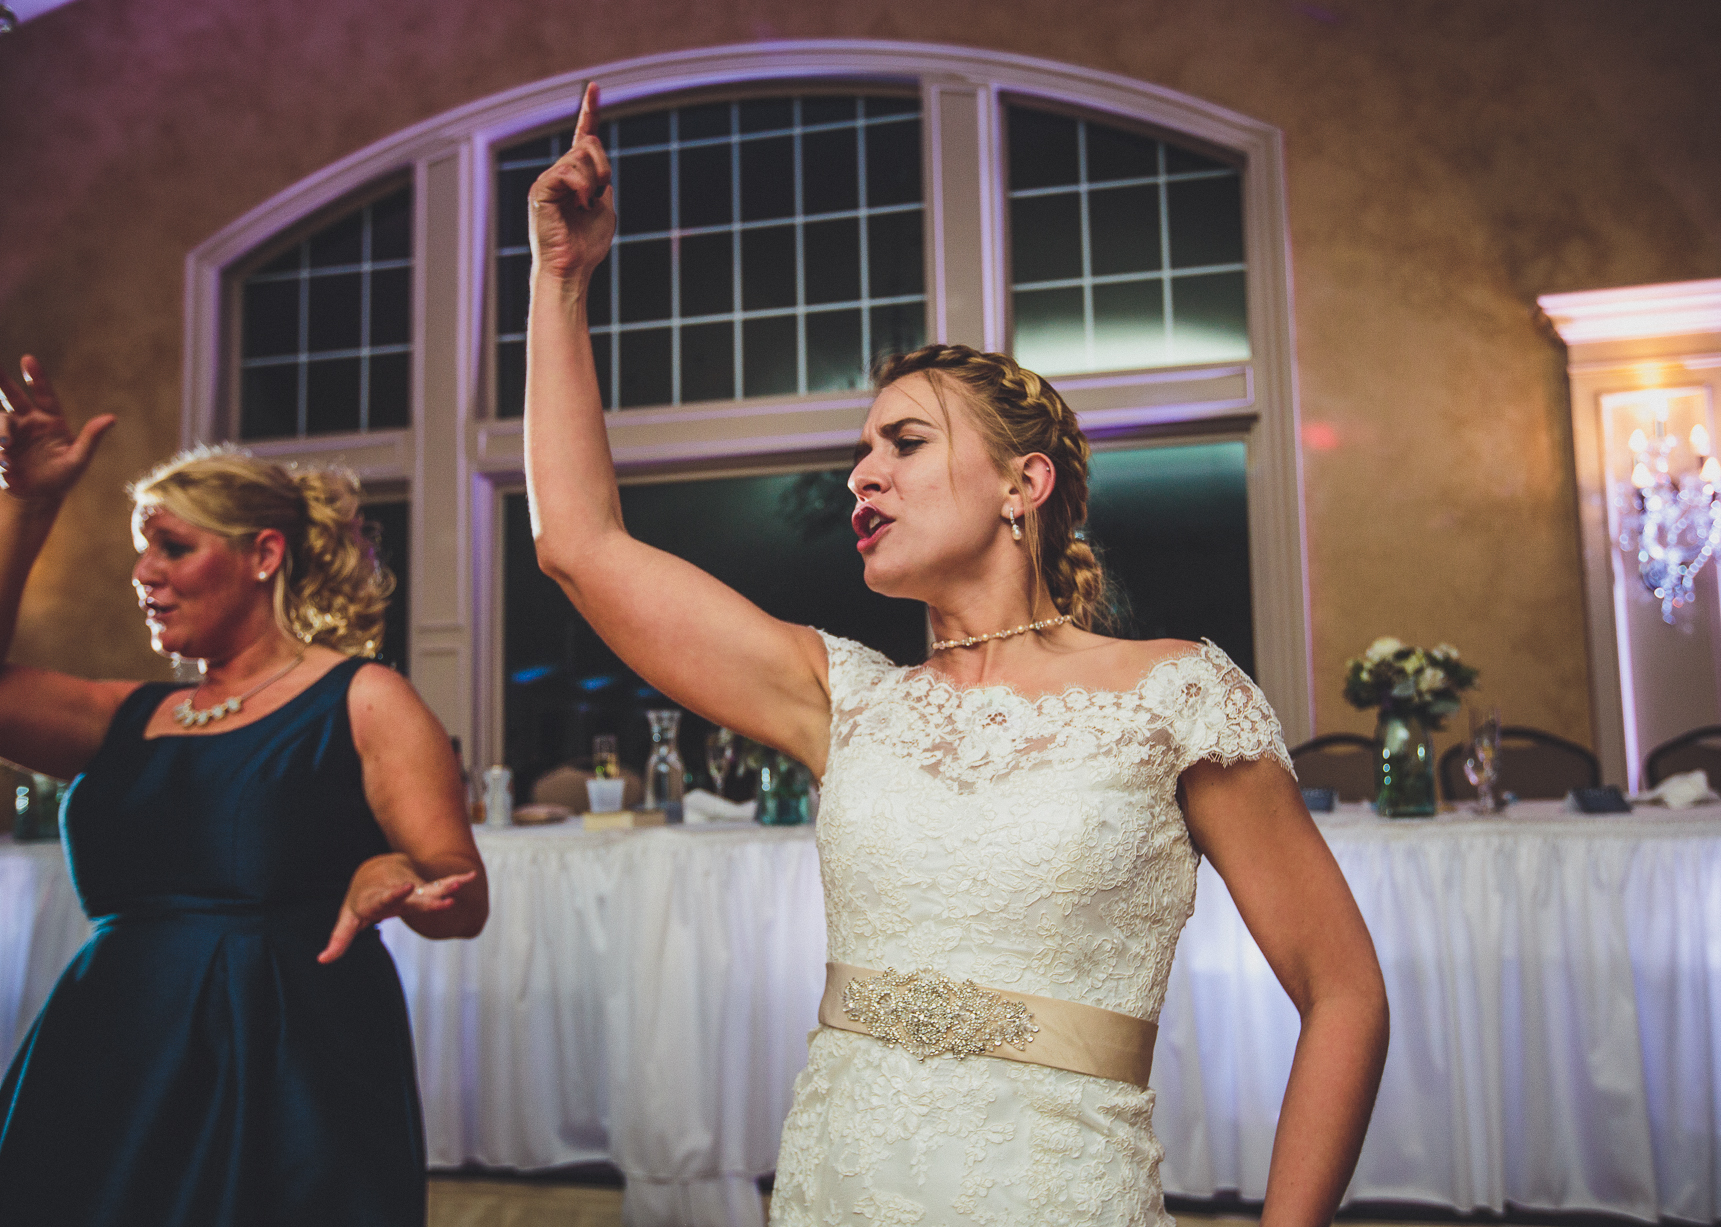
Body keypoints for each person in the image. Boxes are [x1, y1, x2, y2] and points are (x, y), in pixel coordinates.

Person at [525, 86, 1387, 1226]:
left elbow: (1344, 993)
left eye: (905, 441)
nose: (861, 474)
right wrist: (562, 281)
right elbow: (578, 545)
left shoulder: (1174, 695)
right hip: (838, 1188)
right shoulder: (844, 700)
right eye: (859, 452)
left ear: (1023, 484)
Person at [0, 357, 488, 1226]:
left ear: (264, 554)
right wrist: (29, 505)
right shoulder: (121, 716)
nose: (144, 571)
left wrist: (398, 874)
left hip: (289, 1066)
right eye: (142, 548)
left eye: (173, 546)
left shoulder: (364, 698)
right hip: (113, 1047)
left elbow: (463, 895)